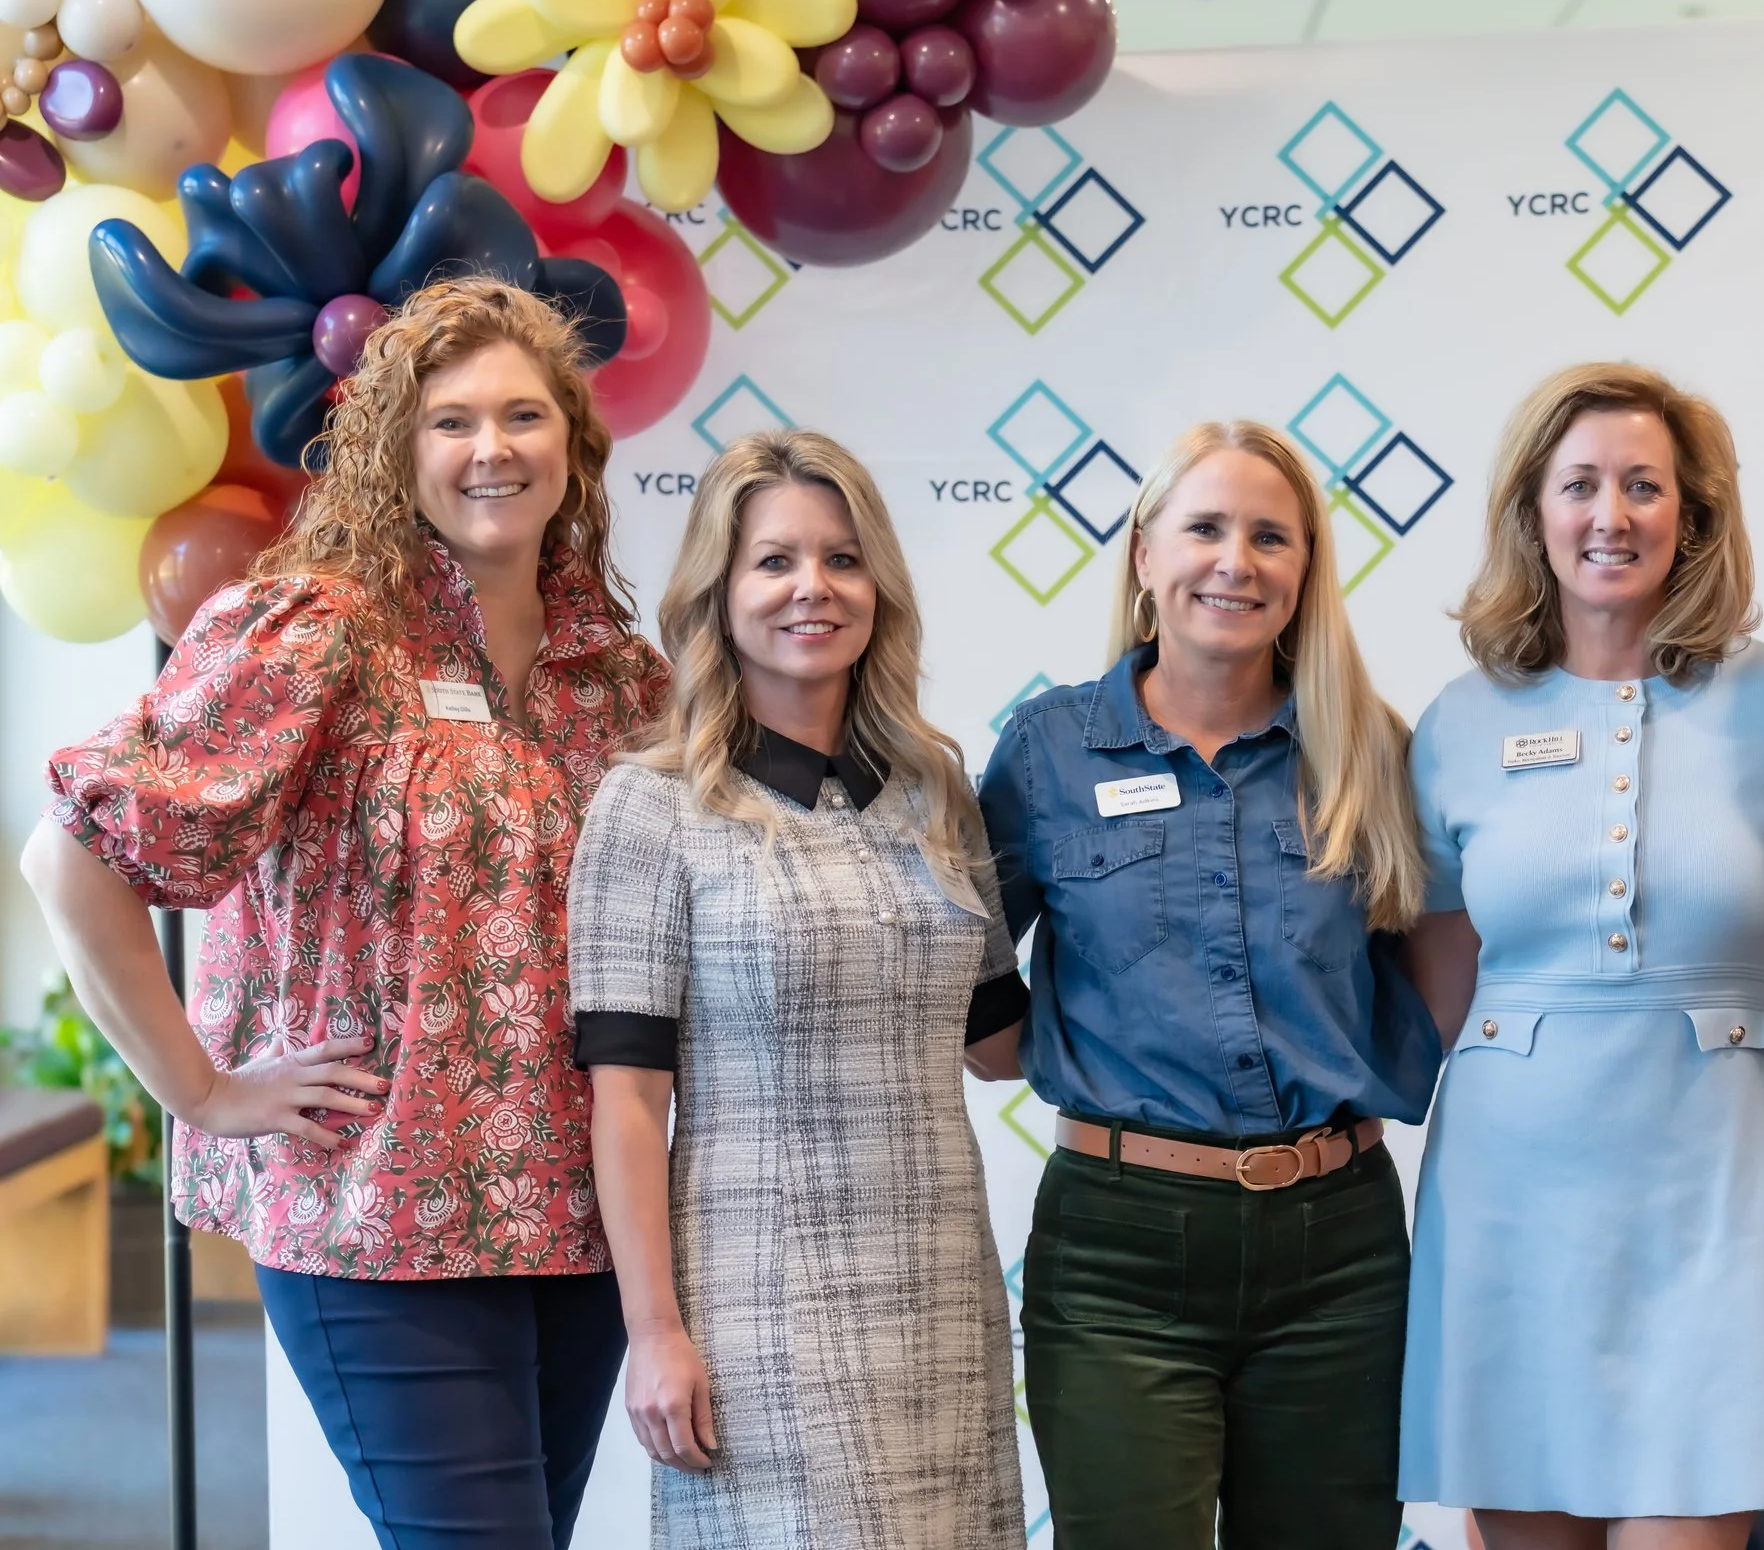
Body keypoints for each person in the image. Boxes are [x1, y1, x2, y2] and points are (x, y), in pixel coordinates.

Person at [23, 277, 668, 1549]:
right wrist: (202, 1091)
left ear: (573, 445)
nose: (493, 448)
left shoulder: (618, 673)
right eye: (453, 420)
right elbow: (73, 854)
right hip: (374, 1212)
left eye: (525, 415)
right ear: (396, 445)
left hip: (581, 1224)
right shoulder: (320, 632)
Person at [1395, 363, 1764, 1550]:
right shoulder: (1456, 724)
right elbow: (1432, 1000)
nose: (1611, 514)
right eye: (1581, 484)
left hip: (1710, 1190)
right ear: (1532, 514)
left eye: (1644, 485)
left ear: (1692, 516)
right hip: (1509, 1192)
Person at [973, 420, 1439, 1550]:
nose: (1236, 560)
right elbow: (977, 997)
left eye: (1270, 536)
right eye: (1205, 528)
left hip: (1340, 1251)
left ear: (1304, 571)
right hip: (1120, 1250)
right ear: (1143, 553)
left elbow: (1429, 972)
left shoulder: (1368, 748)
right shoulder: (1047, 752)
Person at [567, 429, 1027, 1547]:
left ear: (880, 587)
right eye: (774, 560)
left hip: (942, 1293)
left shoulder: (935, 788)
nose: (811, 587)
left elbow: (998, 1043)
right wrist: (654, 1329)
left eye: (842, 557)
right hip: (756, 1304)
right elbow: (628, 1100)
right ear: (717, 592)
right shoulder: (649, 807)